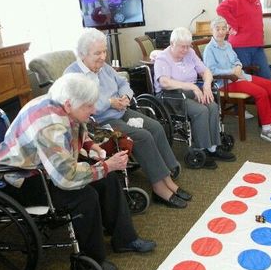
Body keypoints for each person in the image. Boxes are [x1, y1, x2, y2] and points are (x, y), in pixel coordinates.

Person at [0, 74, 156, 270]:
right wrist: (107, 166)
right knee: (84, 197)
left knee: (108, 179)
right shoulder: (49, 126)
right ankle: (92, 259)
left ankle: (125, 239)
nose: (93, 110)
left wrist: (91, 145)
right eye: (89, 106)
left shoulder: (62, 103)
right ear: (69, 104)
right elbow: (66, 178)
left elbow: (77, 127)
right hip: (16, 180)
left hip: (44, 168)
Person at [64, 28, 191, 209]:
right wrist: (110, 102)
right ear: (83, 54)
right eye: (97, 53)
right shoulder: (73, 75)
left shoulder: (104, 68)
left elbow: (123, 83)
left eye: (104, 51)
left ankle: (168, 178)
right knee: (143, 136)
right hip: (99, 122)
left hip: (121, 111)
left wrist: (125, 97)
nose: (102, 57)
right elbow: (81, 105)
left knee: (155, 127)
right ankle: (159, 188)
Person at [153, 27, 236, 169]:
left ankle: (213, 148)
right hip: (170, 96)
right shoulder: (163, 58)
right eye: (182, 47)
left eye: (188, 46)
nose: (185, 50)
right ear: (172, 44)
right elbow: (165, 83)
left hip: (190, 90)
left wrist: (207, 85)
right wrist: (192, 87)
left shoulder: (190, 53)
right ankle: (201, 149)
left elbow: (206, 71)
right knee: (200, 111)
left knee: (212, 105)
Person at [204, 16, 271, 143]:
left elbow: (236, 60)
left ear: (227, 30)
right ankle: (266, 129)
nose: (221, 32)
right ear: (212, 30)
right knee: (261, 93)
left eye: (223, 28)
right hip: (226, 82)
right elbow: (211, 71)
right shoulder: (209, 50)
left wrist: (238, 66)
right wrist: (231, 71)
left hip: (241, 76)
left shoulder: (228, 45)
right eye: (217, 29)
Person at [216, 0, 271, 80]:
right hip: (241, 46)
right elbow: (220, 9)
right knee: (245, 78)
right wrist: (234, 25)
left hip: (257, 45)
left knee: (266, 76)